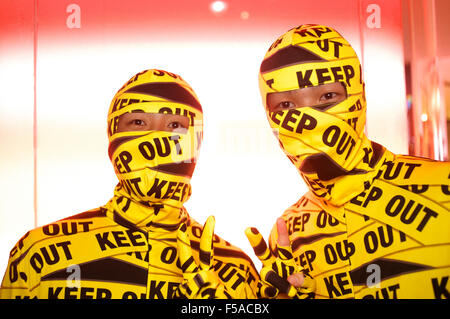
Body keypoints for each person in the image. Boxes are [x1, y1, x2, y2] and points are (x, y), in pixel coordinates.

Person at [0, 69, 259, 299]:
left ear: (196, 144)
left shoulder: (235, 269)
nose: (156, 140)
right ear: (113, 140)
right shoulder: (39, 255)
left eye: (175, 126)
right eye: (138, 122)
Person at [246, 24, 450, 299]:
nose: (309, 122)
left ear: (360, 97)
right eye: (286, 106)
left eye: (327, 97)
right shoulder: (286, 234)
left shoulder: (443, 187)